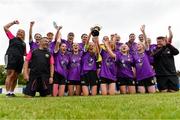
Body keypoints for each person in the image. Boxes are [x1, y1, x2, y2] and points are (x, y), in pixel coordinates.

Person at [4, 20, 26, 97]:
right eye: (19, 31)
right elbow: (5, 27)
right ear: (16, 33)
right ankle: (7, 93)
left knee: (16, 76)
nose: (20, 32)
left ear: (24, 35)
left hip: (20, 60)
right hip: (10, 56)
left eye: (22, 32)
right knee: (10, 74)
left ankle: (11, 92)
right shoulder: (12, 38)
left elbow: (25, 53)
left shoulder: (24, 43)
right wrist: (13, 23)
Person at [153, 26, 179, 92]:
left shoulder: (169, 48)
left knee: (173, 91)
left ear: (164, 41)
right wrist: (163, 47)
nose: (158, 43)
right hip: (161, 75)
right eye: (157, 41)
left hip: (172, 74)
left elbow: (176, 52)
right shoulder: (155, 49)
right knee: (164, 91)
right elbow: (155, 55)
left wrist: (168, 45)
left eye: (160, 41)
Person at [133, 25, 156, 93]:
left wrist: (143, 32)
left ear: (143, 46)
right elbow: (133, 66)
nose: (137, 46)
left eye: (139, 44)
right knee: (142, 94)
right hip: (140, 76)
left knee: (151, 93)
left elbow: (146, 42)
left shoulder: (146, 52)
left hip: (149, 75)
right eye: (137, 45)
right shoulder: (134, 55)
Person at [53, 29, 69, 97]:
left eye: (65, 46)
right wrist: (59, 31)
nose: (64, 47)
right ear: (60, 47)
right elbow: (57, 42)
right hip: (56, 73)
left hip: (64, 75)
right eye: (62, 46)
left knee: (61, 95)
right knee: (54, 95)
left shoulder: (67, 56)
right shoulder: (57, 53)